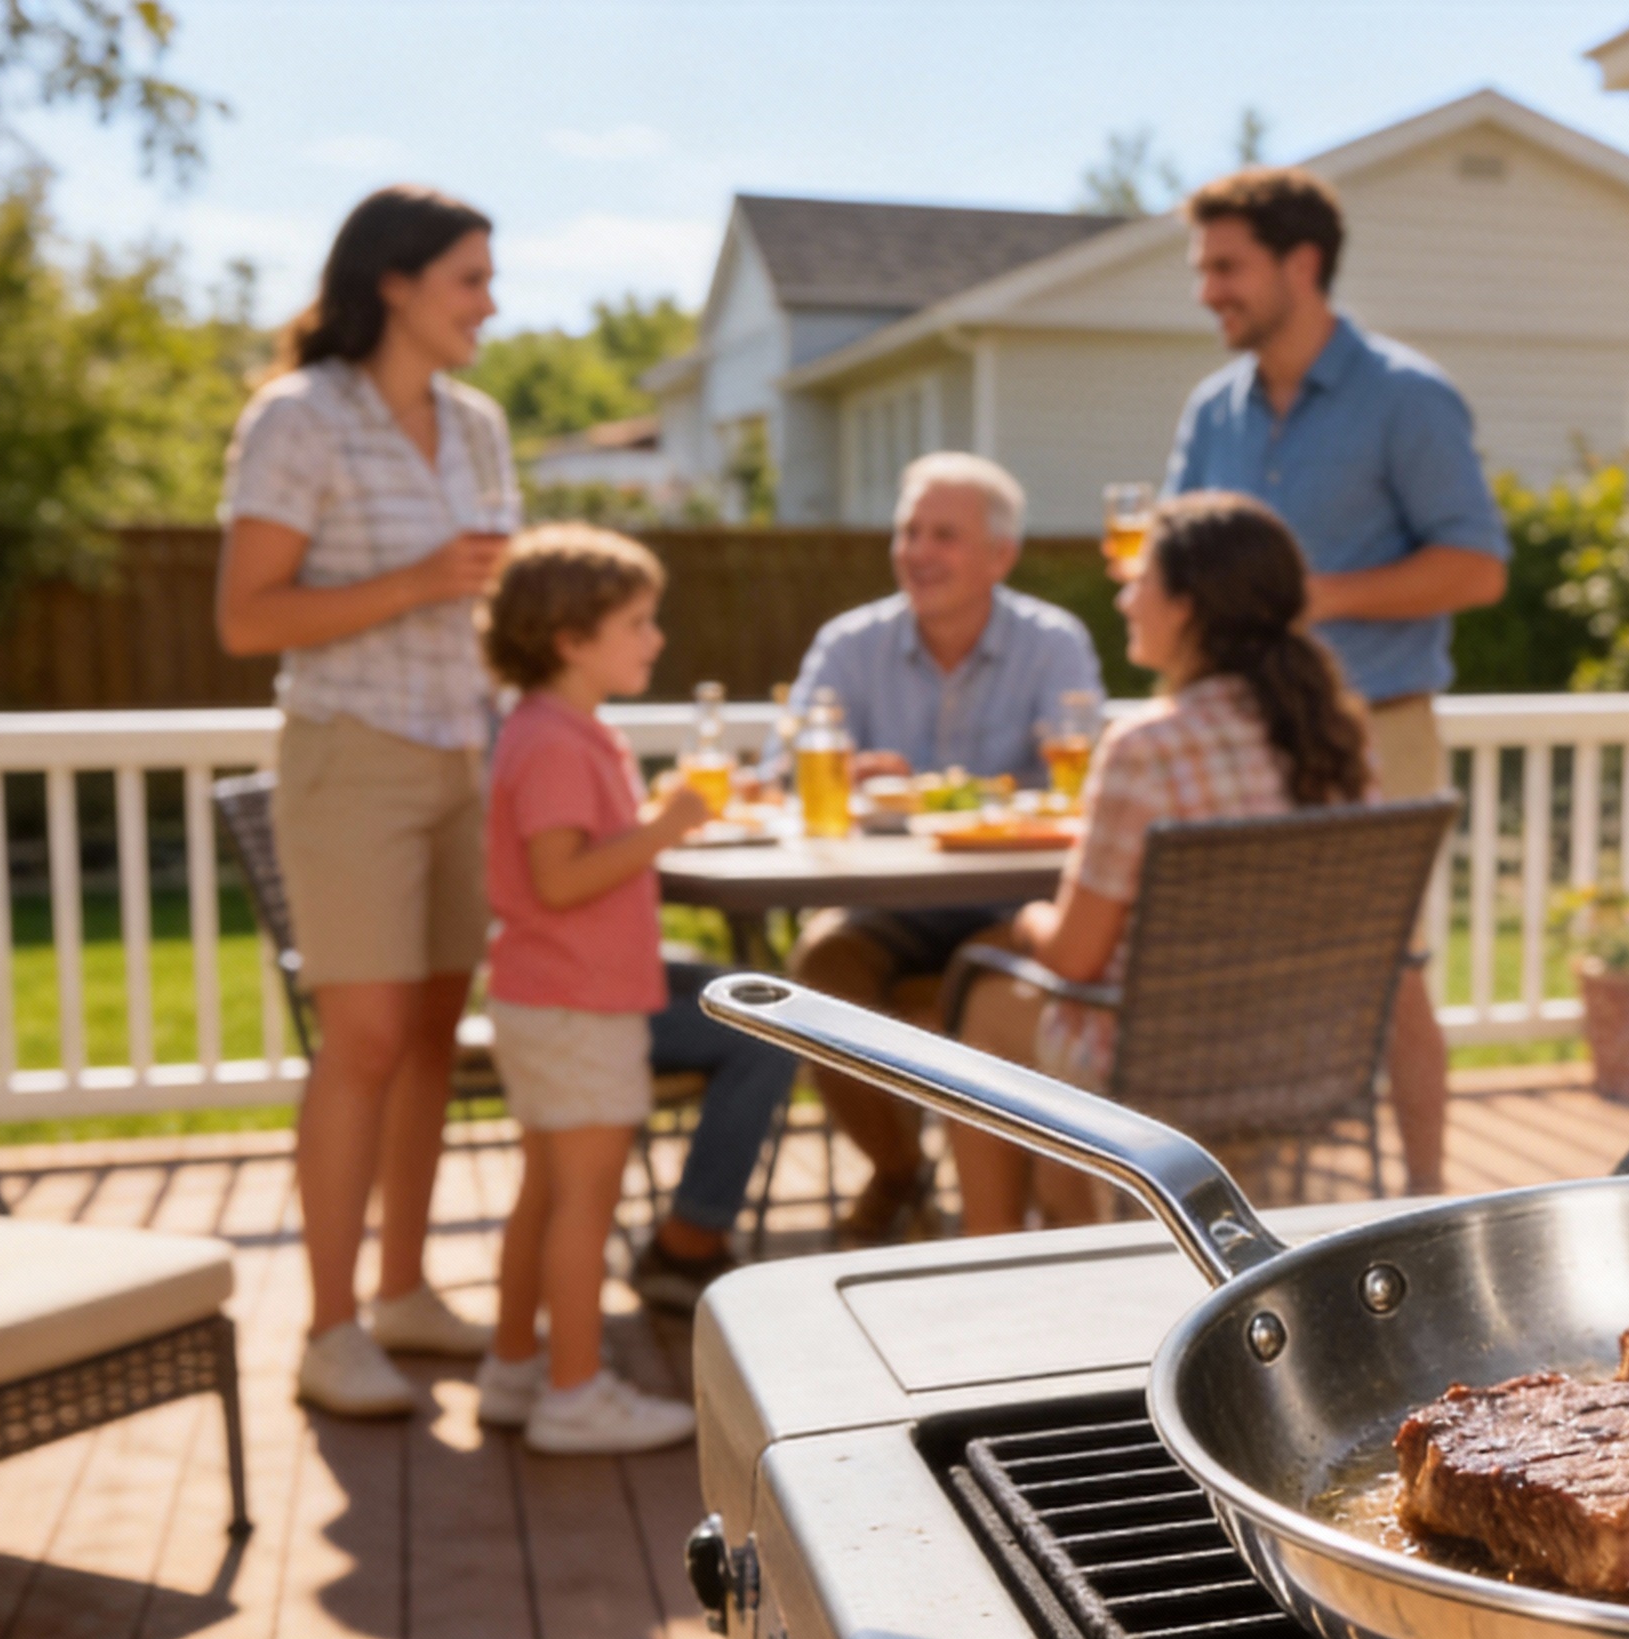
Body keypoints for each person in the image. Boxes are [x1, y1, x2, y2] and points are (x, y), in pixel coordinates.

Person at [218, 184, 518, 1419]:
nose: (491, 304)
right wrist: (412, 583)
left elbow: (488, 594)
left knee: (437, 1040)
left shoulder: (480, 423)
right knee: (368, 1041)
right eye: (470, 280)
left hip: (468, 754)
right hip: (351, 756)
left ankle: (403, 1292)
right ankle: (328, 1329)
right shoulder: (299, 418)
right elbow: (246, 618)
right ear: (394, 283)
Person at [1160, 165, 1506, 1199]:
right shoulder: (1210, 409)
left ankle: (1431, 1200)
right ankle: (1246, 1199)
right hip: (1232, 738)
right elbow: (1181, 561)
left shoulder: (1405, 397)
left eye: (1226, 267)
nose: (1207, 290)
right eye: (1203, 268)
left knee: (1391, 980)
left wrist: (1313, 595)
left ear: (1299, 265)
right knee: (1234, 982)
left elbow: (1477, 568)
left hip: (1372, 734)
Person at [950, 493, 1375, 1236]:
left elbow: (1076, 957)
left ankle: (1000, 1258)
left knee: (982, 998)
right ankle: (1076, 1222)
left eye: (1139, 579)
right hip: (1303, 1055)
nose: (1125, 596)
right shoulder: (1333, 739)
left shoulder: (1146, 747)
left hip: (1164, 1068)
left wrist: (1023, 923)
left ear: (1185, 606)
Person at [470, 526, 788, 1450]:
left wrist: (651, 820)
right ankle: (574, 1394)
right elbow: (562, 878)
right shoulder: (558, 742)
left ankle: (512, 1369)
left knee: (546, 1189)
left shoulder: (555, 730)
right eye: (639, 623)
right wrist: (668, 822)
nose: (655, 639)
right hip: (579, 1007)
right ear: (572, 638)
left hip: (554, 1000)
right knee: (585, 1201)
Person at [783, 451, 1107, 1242]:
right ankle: (900, 1174)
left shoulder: (1053, 642)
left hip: (1013, 906)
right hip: (884, 905)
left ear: (1001, 555)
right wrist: (845, 775)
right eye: (909, 531)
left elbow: (1087, 785)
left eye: (944, 535)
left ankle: (1000, 1208)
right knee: (816, 973)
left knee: (979, 982)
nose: (918, 552)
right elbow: (783, 775)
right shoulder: (848, 645)